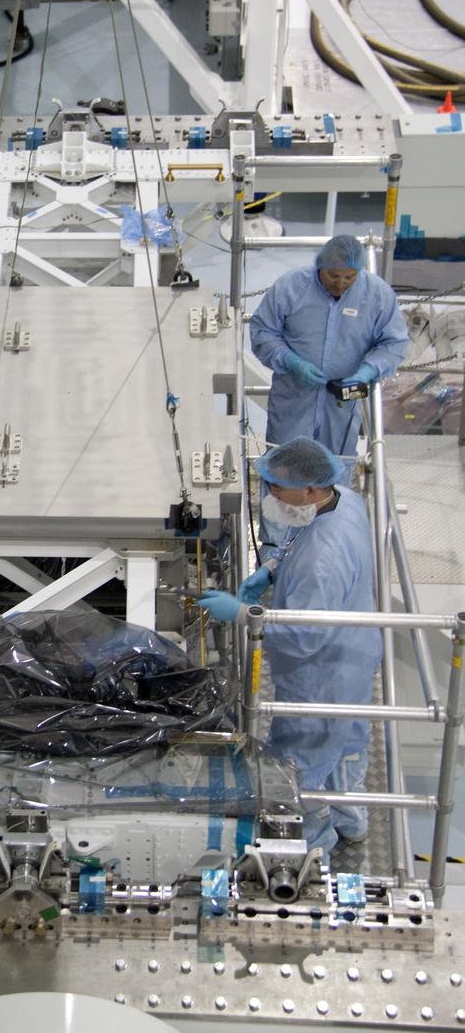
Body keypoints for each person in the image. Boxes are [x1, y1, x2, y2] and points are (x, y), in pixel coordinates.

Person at [199, 437, 382, 855]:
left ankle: (311, 847)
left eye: (278, 487)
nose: (271, 495)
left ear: (312, 490)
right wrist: (272, 568)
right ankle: (352, 820)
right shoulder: (345, 501)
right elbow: (302, 544)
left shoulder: (323, 557)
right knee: (348, 742)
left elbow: (303, 636)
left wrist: (243, 615)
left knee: (299, 766)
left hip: (320, 675)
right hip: (354, 655)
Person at [249, 234, 408, 460]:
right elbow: (263, 330)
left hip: (342, 405)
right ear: (320, 266)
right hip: (294, 397)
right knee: (284, 463)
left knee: (336, 465)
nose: (341, 283)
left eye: (349, 277)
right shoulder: (291, 287)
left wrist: (368, 371)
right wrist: (290, 361)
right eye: (333, 275)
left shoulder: (377, 295)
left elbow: (394, 342)